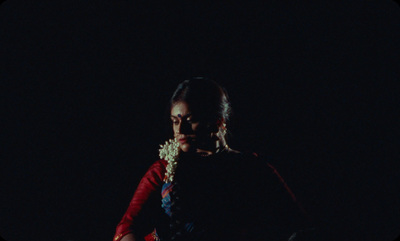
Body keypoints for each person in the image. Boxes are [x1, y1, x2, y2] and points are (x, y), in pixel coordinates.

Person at [113, 77, 311, 241]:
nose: (180, 130)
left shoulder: (251, 168)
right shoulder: (164, 169)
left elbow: (299, 226)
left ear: (218, 122)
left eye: (190, 121)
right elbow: (127, 226)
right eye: (175, 121)